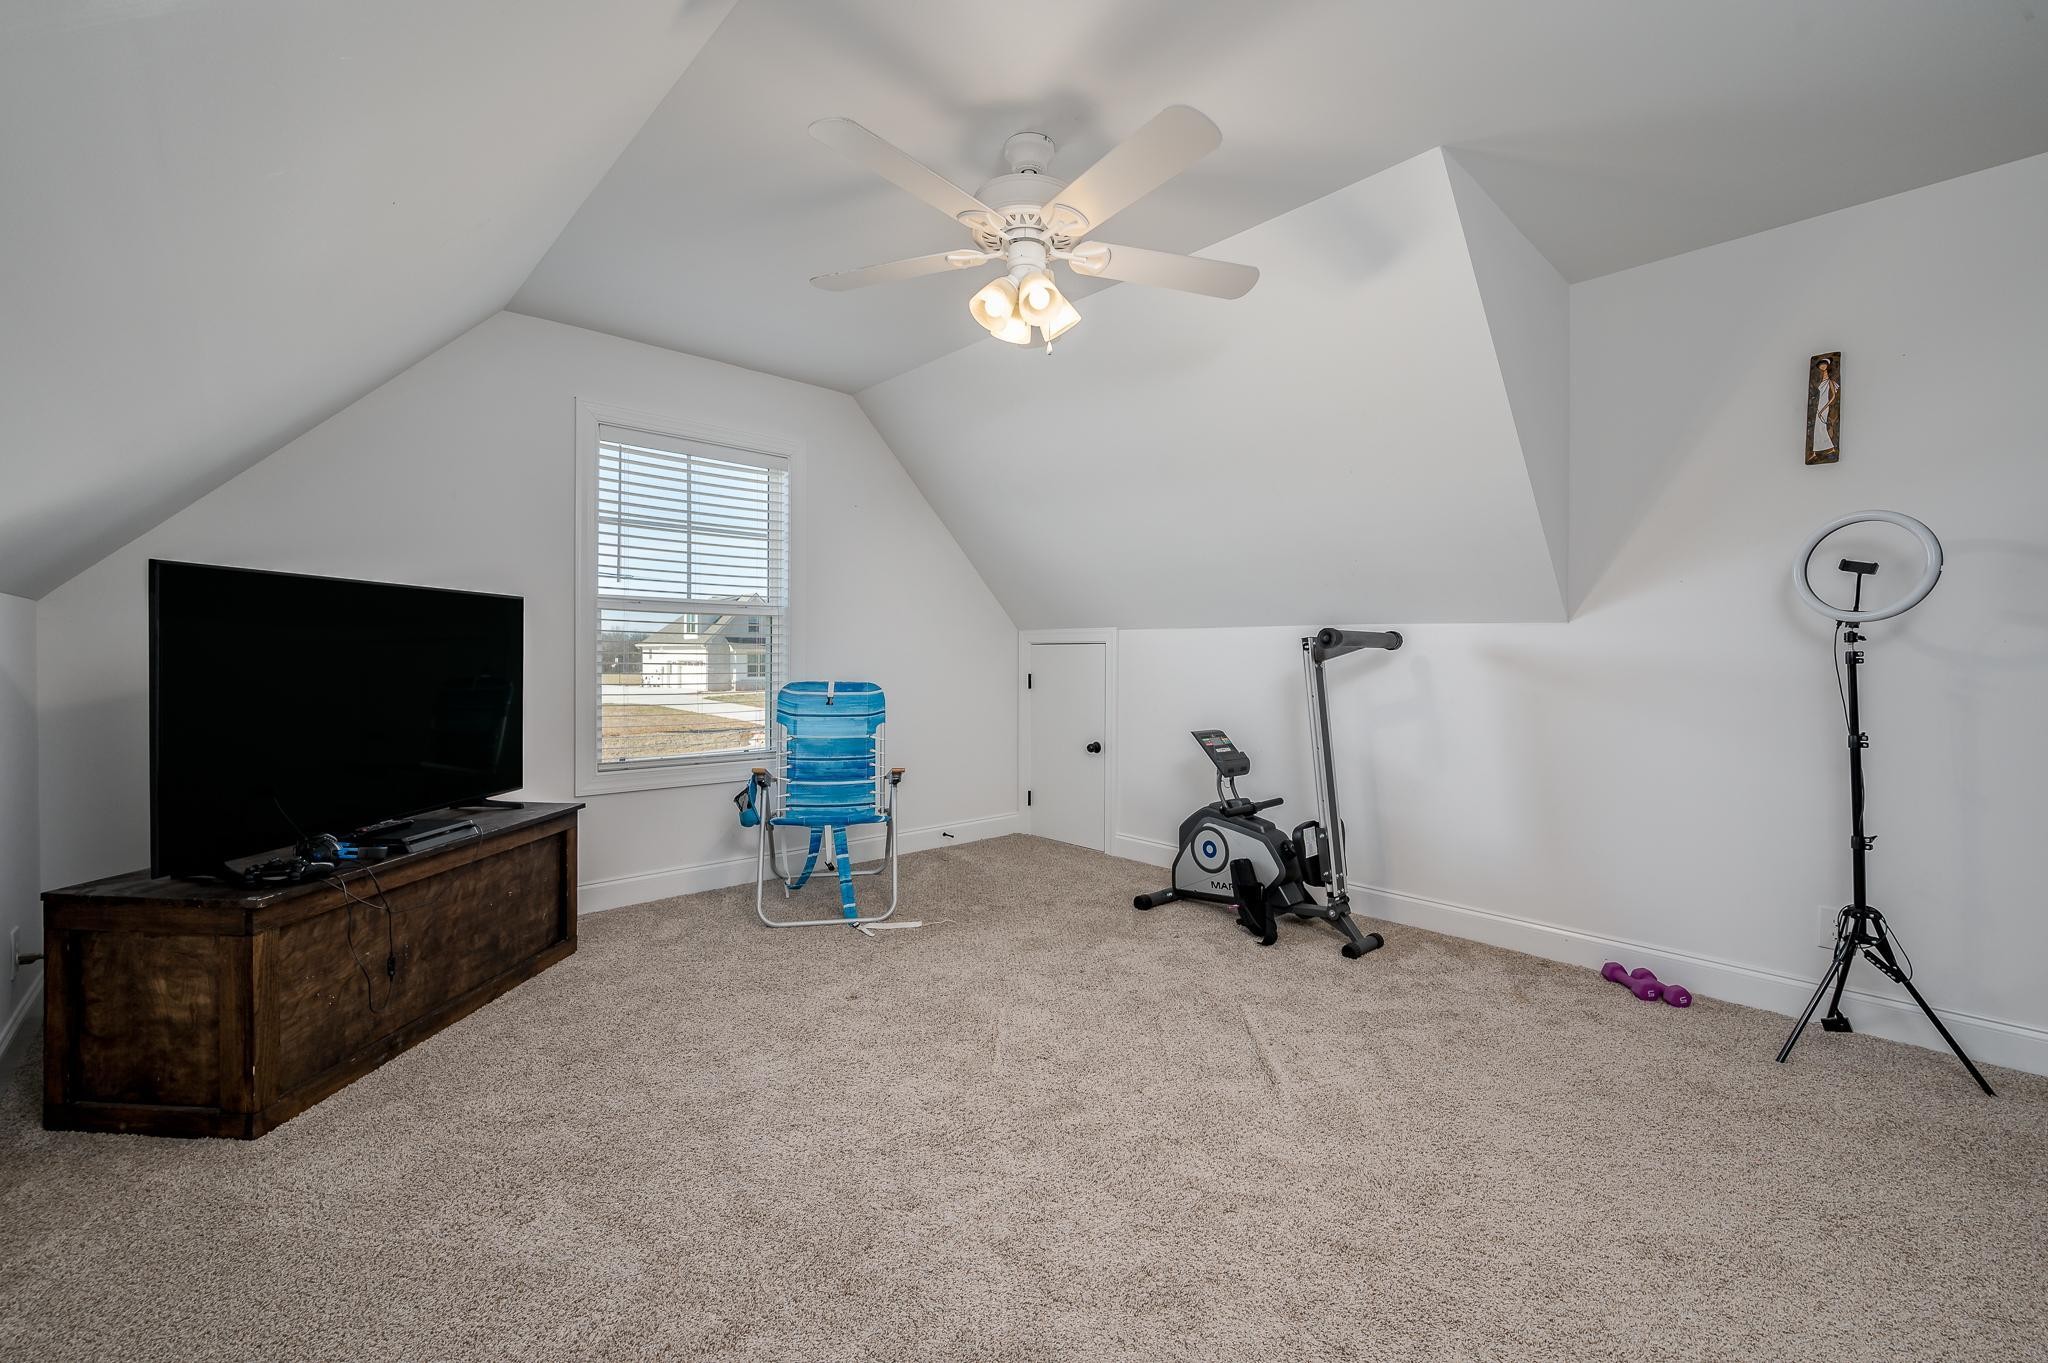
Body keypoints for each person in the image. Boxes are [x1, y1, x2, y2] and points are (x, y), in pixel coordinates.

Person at [1811, 358, 1838, 457]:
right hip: (1819, 404)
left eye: (1824, 364)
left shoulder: (1829, 381)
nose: (1822, 366)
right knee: (1817, 427)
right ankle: (1815, 451)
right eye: (1820, 365)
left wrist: (1824, 408)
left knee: (1821, 426)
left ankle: (1831, 447)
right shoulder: (1822, 378)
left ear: (1827, 365)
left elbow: (1833, 396)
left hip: (1824, 405)